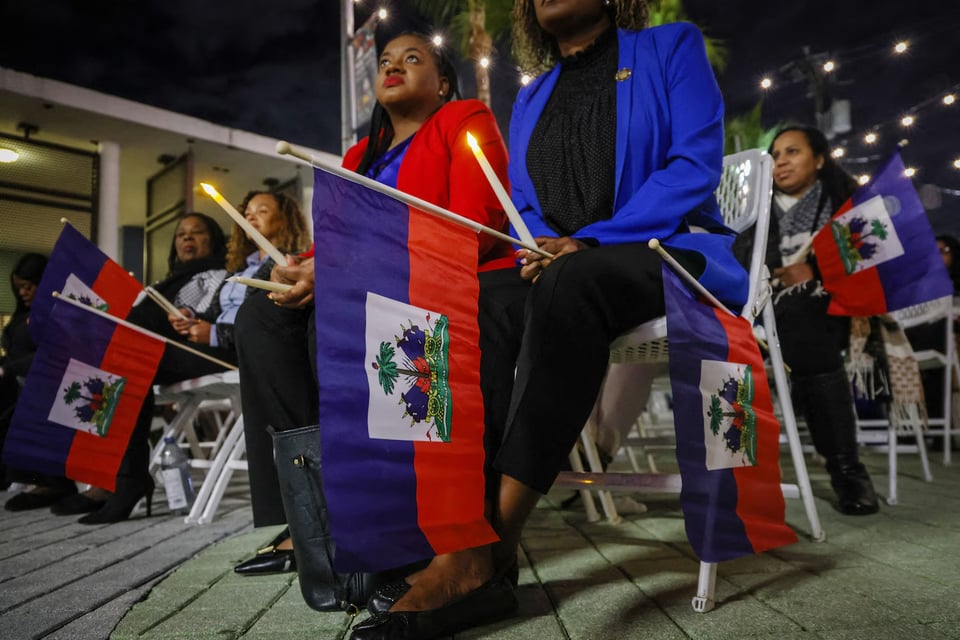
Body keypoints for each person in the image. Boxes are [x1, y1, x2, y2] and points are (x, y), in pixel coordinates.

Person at [350, 2, 750, 638]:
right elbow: (525, 201)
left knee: (570, 281)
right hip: (559, 262)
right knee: (467, 298)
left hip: (665, 251)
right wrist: (538, 243)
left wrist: (590, 241)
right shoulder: (533, 96)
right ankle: (450, 526)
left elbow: (693, 164)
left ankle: (489, 551)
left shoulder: (671, 47)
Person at [231, 28, 513, 576]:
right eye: (385, 60)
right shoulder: (359, 155)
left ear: (443, 83)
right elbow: (334, 240)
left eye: (412, 58)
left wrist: (339, 269)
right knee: (261, 316)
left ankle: (369, 509)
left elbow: (476, 224)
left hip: (443, 281)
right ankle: (312, 508)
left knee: (336, 319)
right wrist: (300, 266)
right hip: (360, 284)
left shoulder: (463, 120)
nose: (392, 66)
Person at [77, 202, 308, 524]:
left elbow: (263, 322)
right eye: (247, 211)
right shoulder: (239, 267)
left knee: (128, 360)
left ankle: (128, 479)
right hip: (213, 344)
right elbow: (215, 312)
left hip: (235, 350)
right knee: (117, 363)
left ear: (286, 219)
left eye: (263, 210)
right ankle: (117, 476)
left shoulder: (286, 263)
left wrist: (212, 331)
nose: (250, 216)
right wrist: (192, 319)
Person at [45, 213, 229, 516]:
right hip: (157, 349)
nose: (187, 237)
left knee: (124, 362)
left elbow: (200, 315)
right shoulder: (165, 280)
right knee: (96, 371)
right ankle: (105, 478)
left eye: (197, 232)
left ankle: (125, 480)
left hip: (200, 348)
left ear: (214, 240)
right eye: (181, 233)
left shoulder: (216, 275)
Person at [765, 125, 879, 515]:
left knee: (806, 318)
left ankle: (847, 471)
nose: (781, 162)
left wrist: (816, 271)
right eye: (775, 155)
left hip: (834, 313)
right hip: (766, 314)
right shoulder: (757, 211)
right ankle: (846, 469)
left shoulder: (847, 204)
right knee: (800, 319)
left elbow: (870, 263)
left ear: (818, 159)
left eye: (792, 152)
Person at [1, 253, 79, 507]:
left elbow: (52, 353)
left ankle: (52, 483)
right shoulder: (22, 315)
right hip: (20, 383)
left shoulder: (56, 313)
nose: (22, 293)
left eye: (28, 286)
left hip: (48, 384)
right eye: (18, 288)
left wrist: (8, 368)